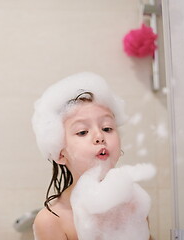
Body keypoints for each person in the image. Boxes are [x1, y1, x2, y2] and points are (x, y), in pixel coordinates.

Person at [31, 72, 154, 240]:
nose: (99, 136)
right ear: (60, 153)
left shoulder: (134, 203)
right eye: (82, 132)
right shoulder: (53, 220)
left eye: (107, 128)